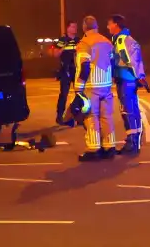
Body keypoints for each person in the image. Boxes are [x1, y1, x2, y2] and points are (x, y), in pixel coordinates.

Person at [74, 15, 116, 161]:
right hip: (106, 84)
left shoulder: (84, 43)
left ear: (84, 27)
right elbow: (113, 62)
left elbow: (84, 67)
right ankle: (109, 147)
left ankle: (93, 149)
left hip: (91, 86)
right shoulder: (107, 41)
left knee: (91, 117)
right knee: (106, 116)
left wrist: (78, 88)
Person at [107, 14, 145, 155]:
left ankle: (132, 143)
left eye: (109, 24)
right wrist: (140, 77)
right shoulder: (126, 39)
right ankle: (136, 139)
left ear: (116, 25)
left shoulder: (121, 41)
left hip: (125, 79)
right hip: (130, 80)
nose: (108, 27)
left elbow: (130, 60)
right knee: (133, 109)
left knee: (126, 111)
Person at [52, 21, 78, 125]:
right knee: (64, 94)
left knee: (80, 94)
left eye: (76, 27)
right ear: (67, 28)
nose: (75, 28)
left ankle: (77, 115)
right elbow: (55, 54)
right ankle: (60, 116)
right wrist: (63, 47)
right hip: (66, 70)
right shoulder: (62, 40)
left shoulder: (79, 40)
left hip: (77, 70)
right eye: (72, 26)